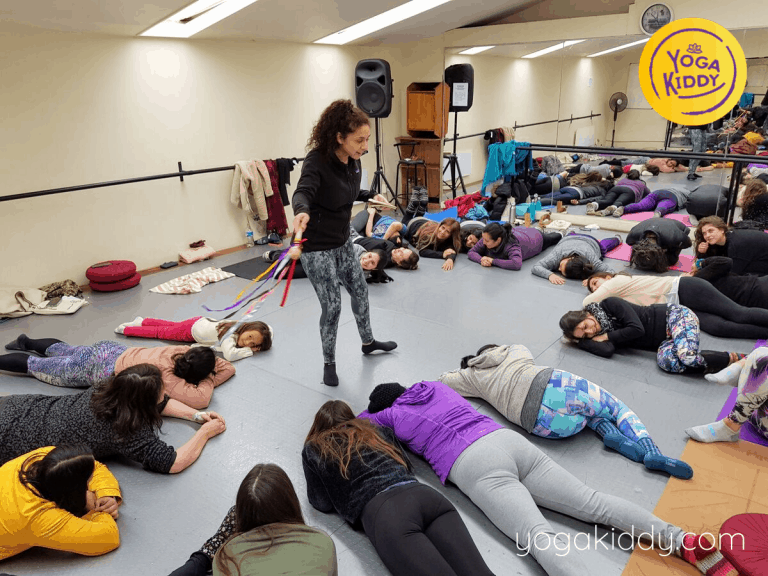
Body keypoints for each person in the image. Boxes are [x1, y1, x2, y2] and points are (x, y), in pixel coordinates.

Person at [360, 380, 734, 576]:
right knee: (594, 502)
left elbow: (357, 421)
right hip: (508, 441)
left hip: (473, 463)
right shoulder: (435, 387)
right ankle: (683, 540)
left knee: (540, 537)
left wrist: (376, 410)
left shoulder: (390, 415)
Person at [301, 400, 495, 576]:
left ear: (318, 427)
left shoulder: (315, 447)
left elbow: (321, 502)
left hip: (387, 513)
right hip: (426, 497)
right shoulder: (376, 431)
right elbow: (406, 465)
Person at [441, 344, 692, 478]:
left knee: (587, 415)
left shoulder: (471, 377)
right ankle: (650, 451)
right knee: (614, 406)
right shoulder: (513, 351)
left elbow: (444, 380)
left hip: (543, 426)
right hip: (553, 386)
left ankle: (608, 434)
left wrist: (468, 368)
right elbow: (520, 349)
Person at [289, 99, 397, 387]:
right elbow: (304, 191)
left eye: (367, 139)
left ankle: (368, 342)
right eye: (359, 140)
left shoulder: (354, 160)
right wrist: (301, 211)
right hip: (317, 248)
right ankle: (329, 363)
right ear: (339, 137)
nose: (364, 146)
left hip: (343, 241)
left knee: (360, 290)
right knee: (332, 306)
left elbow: (348, 190)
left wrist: (369, 196)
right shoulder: (317, 161)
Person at [0, 364, 226, 474]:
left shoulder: (107, 387)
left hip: (18, 406)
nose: (165, 391)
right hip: (11, 441)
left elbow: (161, 401)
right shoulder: (126, 431)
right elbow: (173, 462)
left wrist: (196, 416)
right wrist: (205, 432)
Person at [168, 463, 337, 576]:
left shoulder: (226, 559)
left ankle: (210, 549)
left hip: (224, 554)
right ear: (290, 503)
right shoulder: (322, 543)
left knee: (202, 562)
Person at [2, 334, 235, 410]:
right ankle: (22, 354)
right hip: (96, 369)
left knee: (66, 350)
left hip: (110, 349)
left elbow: (225, 364)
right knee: (36, 367)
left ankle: (27, 340)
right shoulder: (172, 381)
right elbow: (203, 399)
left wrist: (209, 365)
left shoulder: (181, 351)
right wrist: (209, 377)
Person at [0, 445, 121, 560]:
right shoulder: (38, 518)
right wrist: (98, 509)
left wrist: (105, 493)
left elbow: (95, 466)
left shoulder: (43, 458)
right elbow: (108, 538)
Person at [559, 297, 740, 374]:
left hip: (675, 317)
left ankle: (736, 359)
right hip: (664, 341)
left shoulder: (610, 304)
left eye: (585, 326)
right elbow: (608, 351)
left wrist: (606, 336)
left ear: (586, 315)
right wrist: (581, 343)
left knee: (686, 357)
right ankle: (722, 361)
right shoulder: (595, 335)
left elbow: (637, 329)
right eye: (584, 334)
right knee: (668, 364)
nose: (590, 332)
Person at [584, 270, 768, 339]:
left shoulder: (615, 282)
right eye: (593, 288)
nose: (596, 288)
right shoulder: (615, 297)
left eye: (595, 283)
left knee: (738, 313)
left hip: (684, 289)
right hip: (680, 307)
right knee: (718, 328)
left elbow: (587, 302)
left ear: (606, 277)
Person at [686, 346, 768, 442]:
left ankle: (730, 426)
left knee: (763, 360)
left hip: (759, 417)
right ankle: (740, 367)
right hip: (757, 411)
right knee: (762, 356)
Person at [114, 317, 272, 362]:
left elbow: (269, 330)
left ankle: (142, 321)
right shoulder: (229, 336)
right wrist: (249, 351)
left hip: (198, 321)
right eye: (249, 337)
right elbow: (230, 355)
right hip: (189, 332)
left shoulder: (239, 325)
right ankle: (127, 329)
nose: (247, 342)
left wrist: (259, 341)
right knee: (160, 333)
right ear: (248, 328)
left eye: (252, 344)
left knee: (170, 325)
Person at [532, 232, 620, 284]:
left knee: (603, 246)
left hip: (591, 241)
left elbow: (611, 272)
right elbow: (536, 267)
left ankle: (617, 239)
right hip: (569, 237)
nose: (557, 268)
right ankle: (568, 232)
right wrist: (549, 275)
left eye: (560, 267)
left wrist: (594, 278)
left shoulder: (592, 259)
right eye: (560, 267)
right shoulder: (557, 255)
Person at [467, 222, 562, 270]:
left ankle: (560, 233)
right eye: (483, 239)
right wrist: (481, 259)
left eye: (487, 241)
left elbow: (516, 264)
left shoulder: (511, 244)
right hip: (521, 231)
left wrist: (493, 261)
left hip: (535, 238)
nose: (483, 242)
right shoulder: (487, 237)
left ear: (498, 240)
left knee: (554, 238)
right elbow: (471, 252)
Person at [695, 215, 768, 276]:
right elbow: (716, 260)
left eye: (711, 231)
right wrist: (702, 253)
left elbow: (732, 274)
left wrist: (696, 274)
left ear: (722, 230)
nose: (707, 235)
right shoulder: (725, 239)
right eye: (704, 233)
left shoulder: (734, 245)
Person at [692, 256, 768, 309]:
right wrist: (699, 264)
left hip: (754, 289)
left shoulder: (699, 282)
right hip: (754, 290)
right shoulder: (697, 280)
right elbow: (725, 262)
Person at [626, 217, 692, 273]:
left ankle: (658, 258)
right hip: (651, 223)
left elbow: (689, 243)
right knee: (640, 256)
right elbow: (631, 245)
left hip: (674, 227)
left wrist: (667, 248)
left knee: (672, 260)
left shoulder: (672, 237)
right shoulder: (634, 235)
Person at [584, 170, 650, 217]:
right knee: (620, 202)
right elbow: (648, 194)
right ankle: (613, 208)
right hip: (630, 191)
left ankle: (594, 204)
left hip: (616, 189)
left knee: (607, 200)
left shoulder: (623, 180)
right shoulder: (641, 183)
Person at [613, 185, 695, 218]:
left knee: (642, 205)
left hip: (658, 192)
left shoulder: (673, 187)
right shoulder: (689, 193)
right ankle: (658, 213)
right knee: (665, 205)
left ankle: (623, 208)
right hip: (672, 196)